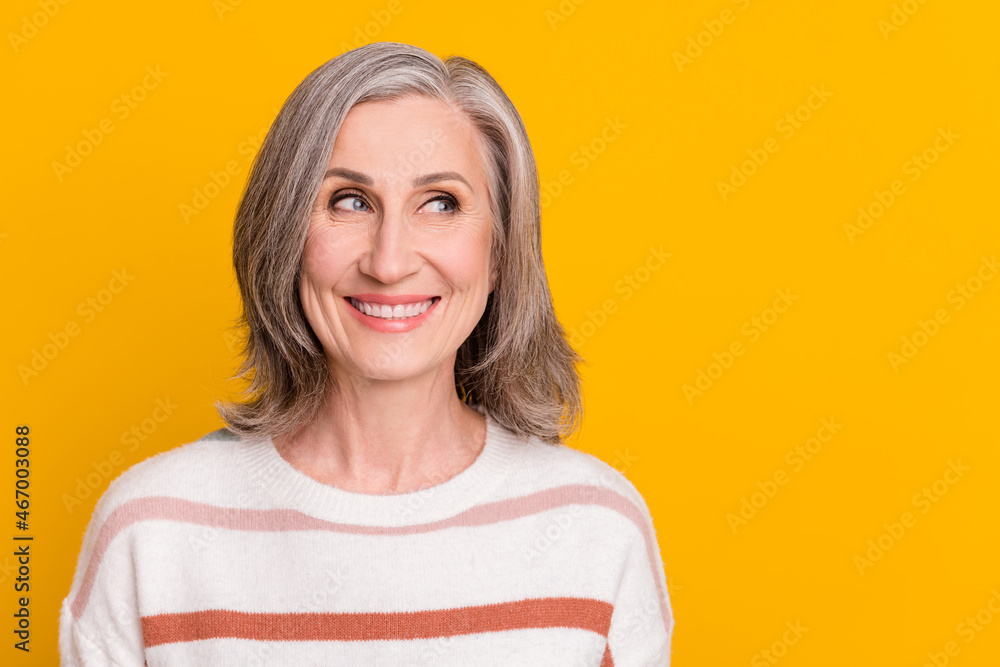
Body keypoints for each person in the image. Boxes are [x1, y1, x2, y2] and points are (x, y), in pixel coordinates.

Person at [59, 41, 675, 666]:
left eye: (441, 203)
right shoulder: (150, 532)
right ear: (285, 238)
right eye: (349, 201)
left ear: (500, 255)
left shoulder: (597, 529)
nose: (389, 262)